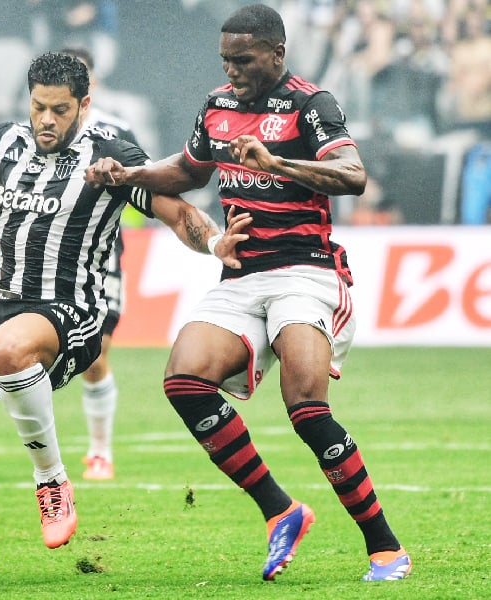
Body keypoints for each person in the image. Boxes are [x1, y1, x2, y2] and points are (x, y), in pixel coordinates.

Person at [0, 51, 244, 578]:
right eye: (38, 107)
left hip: (70, 312)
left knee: (9, 348)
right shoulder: (5, 143)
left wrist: (216, 242)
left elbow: (177, 211)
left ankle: (52, 481)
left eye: (59, 110)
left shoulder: (113, 157)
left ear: (84, 105)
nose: (46, 120)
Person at [84, 4, 411, 582]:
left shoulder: (313, 105)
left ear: (277, 54)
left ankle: (385, 547)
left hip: (306, 274)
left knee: (307, 408)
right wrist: (129, 175)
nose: (231, 70)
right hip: (241, 277)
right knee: (183, 380)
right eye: (225, 59)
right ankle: (280, 510)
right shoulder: (218, 106)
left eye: (243, 59)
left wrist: (277, 161)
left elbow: (354, 176)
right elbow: (188, 171)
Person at [61, 46, 140, 480]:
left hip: (103, 253)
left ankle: (99, 452)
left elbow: (147, 182)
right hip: (49, 256)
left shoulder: (116, 130)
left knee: (97, 354)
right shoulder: (38, 131)